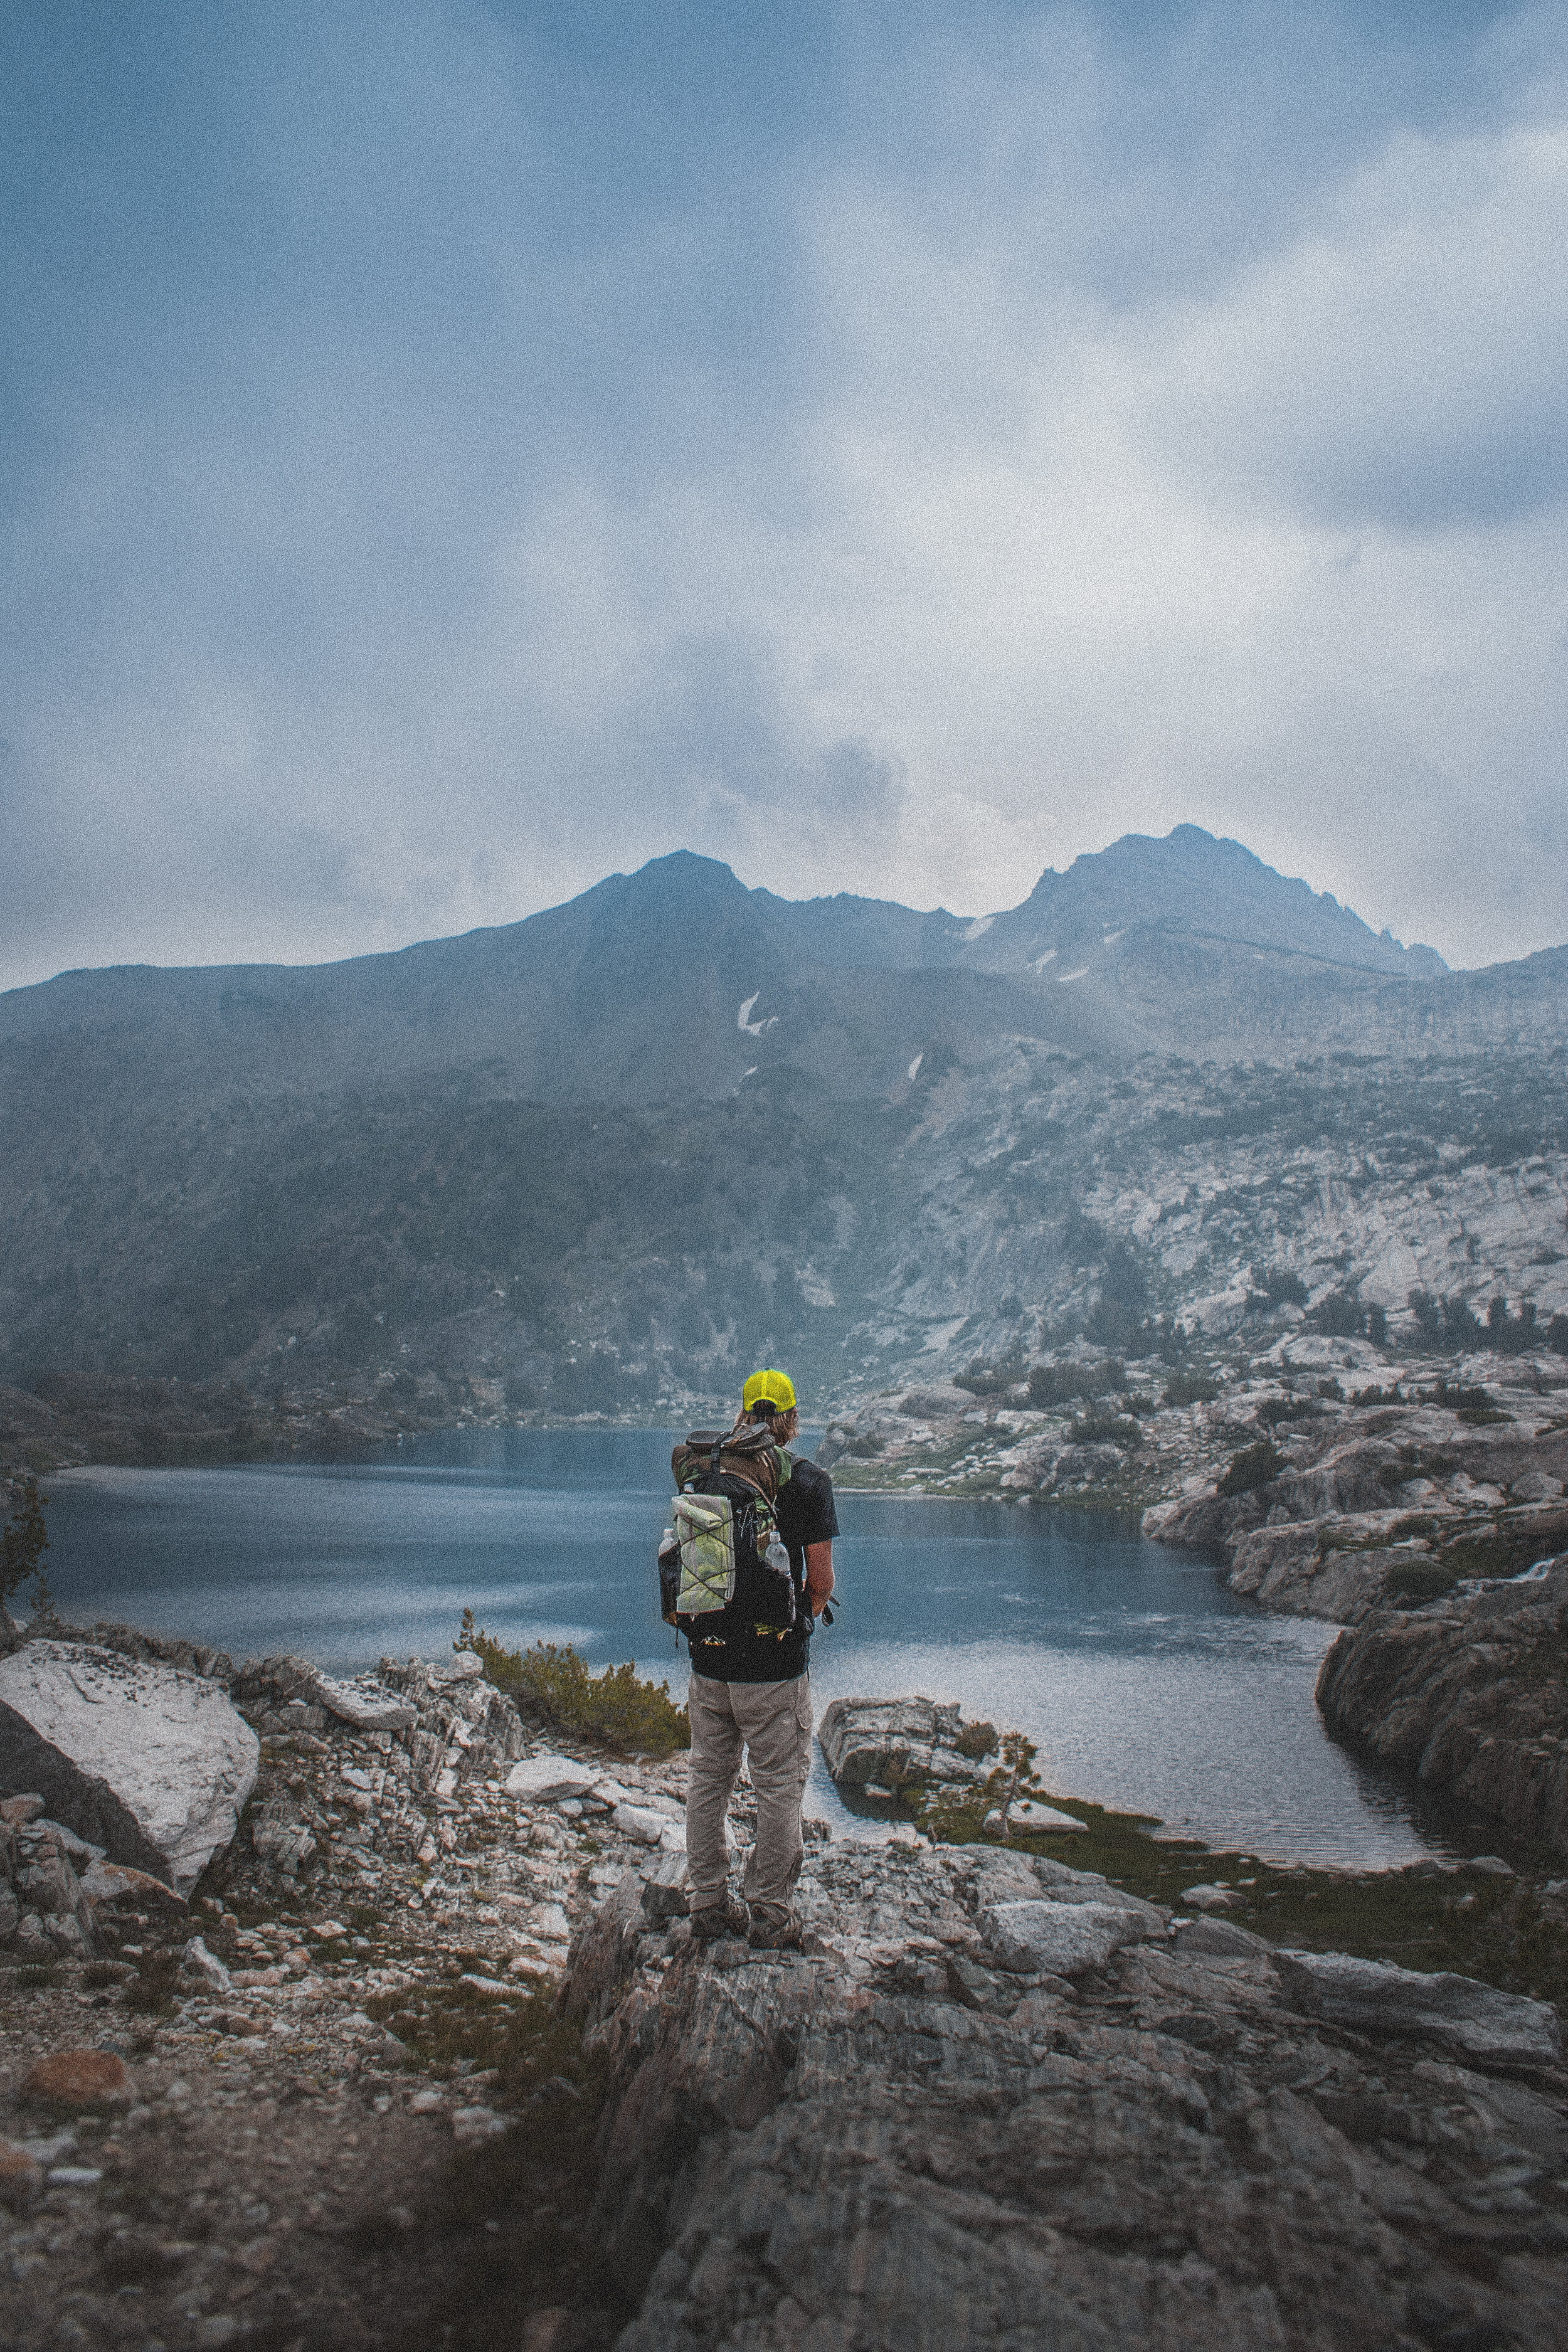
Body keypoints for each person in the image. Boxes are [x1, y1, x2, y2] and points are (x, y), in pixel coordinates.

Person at [684, 1367, 837, 1950]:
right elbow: (819, 1581)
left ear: (744, 1413)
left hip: (708, 1657)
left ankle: (706, 1902)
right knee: (777, 1785)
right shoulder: (807, 1480)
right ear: (791, 1418)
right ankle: (770, 1912)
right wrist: (799, 1622)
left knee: (708, 1780)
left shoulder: (707, 1473)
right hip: (774, 1668)